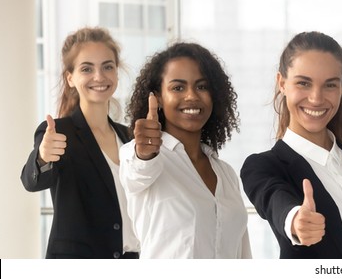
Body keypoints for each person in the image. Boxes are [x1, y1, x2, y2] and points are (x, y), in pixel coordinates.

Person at [241, 31, 342, 259]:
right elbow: (274, 200)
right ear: (282, 83)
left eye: (329, 85)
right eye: (304, 83)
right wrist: (296, 220)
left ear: (341, 87)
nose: (316, 98)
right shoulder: (263, 166)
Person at [119, 42, 250, 258]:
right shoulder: (139, 155)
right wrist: (145, 152)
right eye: (178, 88)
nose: (192, 96)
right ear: (158, 97)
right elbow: (139, 168)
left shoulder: (226, 173)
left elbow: (242, 253)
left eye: (202, 86)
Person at [20, 27, 140, 259]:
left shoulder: (129, 137)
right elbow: (30, 181)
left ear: (116, 73)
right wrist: (43, 157)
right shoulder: (57, 132)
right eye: (87, 68)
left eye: (108, 66)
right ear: (71, 78)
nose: (99, 76)